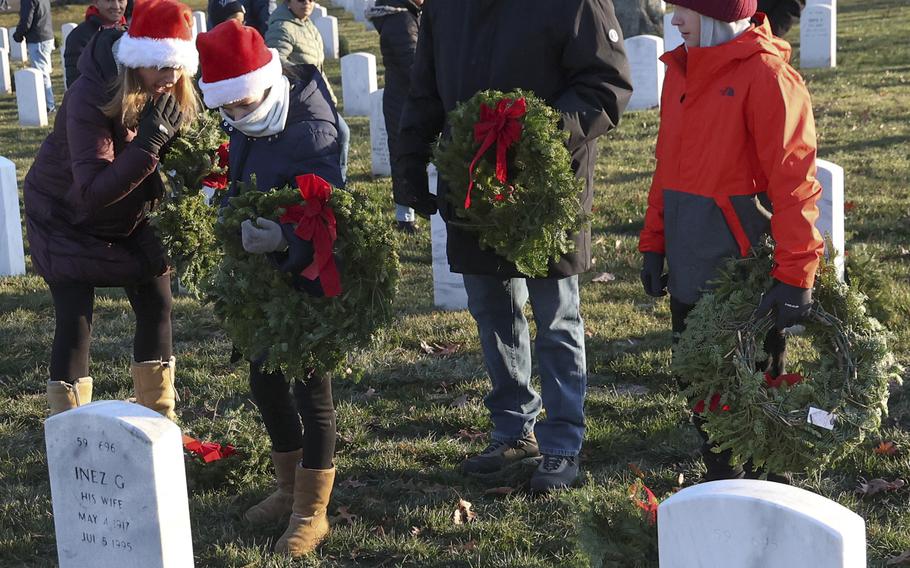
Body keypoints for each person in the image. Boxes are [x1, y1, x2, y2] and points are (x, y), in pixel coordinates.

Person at [396, 0, 633, 492]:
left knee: (556, 315)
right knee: (491, 308)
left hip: (548, 186)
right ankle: (512, 425)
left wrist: (534, 134)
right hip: (472, 179)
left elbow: (606, 83)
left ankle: (562, 440)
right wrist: (411, 162)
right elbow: (426, 87)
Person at [638, 0, 823, 481]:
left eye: (685, 10)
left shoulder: (767, 77)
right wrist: (654, 241)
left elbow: (795, 185)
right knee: (701, 385)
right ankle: (721, 477)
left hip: (742, 279)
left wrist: (796, 275)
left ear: (718, 14)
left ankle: (772, 490)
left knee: (755, 392)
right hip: (688, 266)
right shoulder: (679, 72)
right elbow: (667, 167)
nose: (675, 21)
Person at [196, 19, 343, 557]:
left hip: (308, 277)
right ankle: (287, 488)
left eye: (240, 105)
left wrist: (282, 236)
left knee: (311, 390)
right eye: (227, 110)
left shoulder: (310, 128)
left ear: (265, 79)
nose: (235, 117)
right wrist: (226, 205)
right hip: (264, 283)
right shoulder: (252, 114)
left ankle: (312, 509)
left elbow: (330, 212)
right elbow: (243, 176)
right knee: (265, 381)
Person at [22, 0, 200, 418]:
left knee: (157, 299)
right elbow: (91, 191)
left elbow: (187, 150)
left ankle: (158, 418)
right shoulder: (92, 93)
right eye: (161, 66)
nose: (170, 78)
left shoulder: (172, 88)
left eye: (178, 68)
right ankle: (71, 429)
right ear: (138, 59)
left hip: (129, 210)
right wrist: (149, 146)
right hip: (66, 215)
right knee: (75, 320)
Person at [265, 0, 349, 182]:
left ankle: (339, 181)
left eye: (311, 0)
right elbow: (275, 60)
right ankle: (337, 181)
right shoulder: (282, 26)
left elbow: (318, 67)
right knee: (341, 133)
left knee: (341, 134)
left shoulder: (306, 24)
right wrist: (303, 77)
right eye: (301, 0)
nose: (307, 3)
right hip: (301, 98)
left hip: (319, 94)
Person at [366, 0, 423, 233]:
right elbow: (414, 65)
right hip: (407, 101)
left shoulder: (403, 15)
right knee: (405, 156)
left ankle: (407, 213)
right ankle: (406, 217)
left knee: (403, 154)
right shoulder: (401, 21)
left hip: (403, 98)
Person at [64, 0, 128, 89]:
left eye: (121, 0)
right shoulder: (80, 36)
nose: (116, 6)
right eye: (109, 1)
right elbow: (75, 84)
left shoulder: (131, 32)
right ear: (95, 2)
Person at [13, 0, 55, 113]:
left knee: (41, 73)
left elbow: (27, 20)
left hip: (38, 38)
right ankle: (48, 103)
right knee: (44, 72)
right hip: (46, 35)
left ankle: (49, 105)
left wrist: (18, 34)